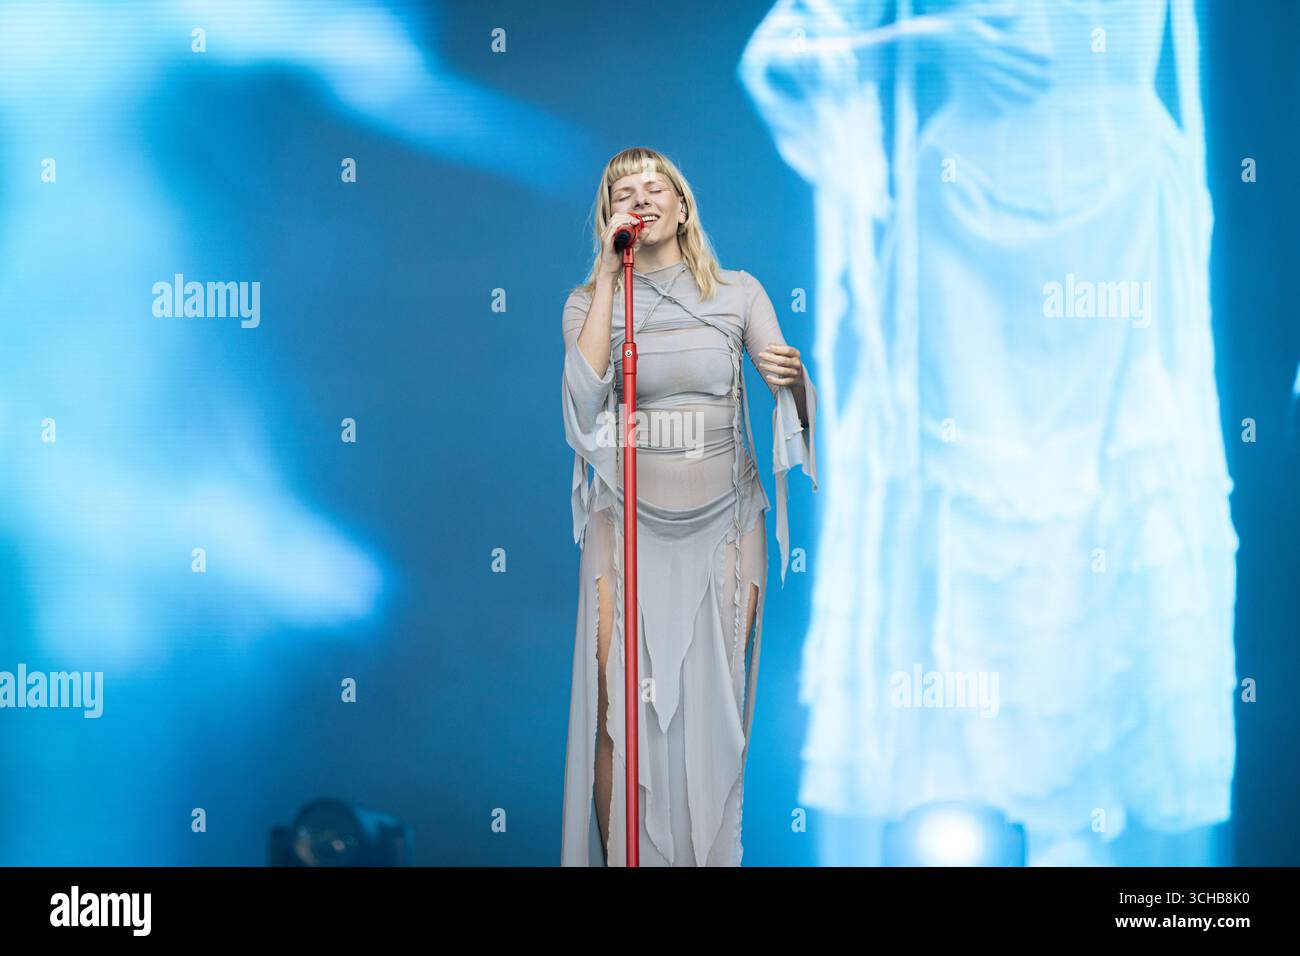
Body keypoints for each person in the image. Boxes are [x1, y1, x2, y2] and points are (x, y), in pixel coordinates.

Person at [739, 0, 1238, 865]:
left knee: (1126, 525)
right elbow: (783, 53)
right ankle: (971, 810)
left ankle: (1127, 871)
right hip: (966, 236)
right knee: (970, 532)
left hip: (1123, 223)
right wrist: (931, 39)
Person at [559, 147, 817, 866]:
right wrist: (612, 276)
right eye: (623, 190)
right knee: (620, 714)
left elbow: (790, 400)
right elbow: (582, 408)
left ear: (682, 204)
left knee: (717, 716)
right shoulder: (589, 302)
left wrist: (794, 384)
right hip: (627, 523)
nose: (641, 199)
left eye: (655, 186)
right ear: (612, 212)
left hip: (726, 522)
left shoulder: (737, 292)